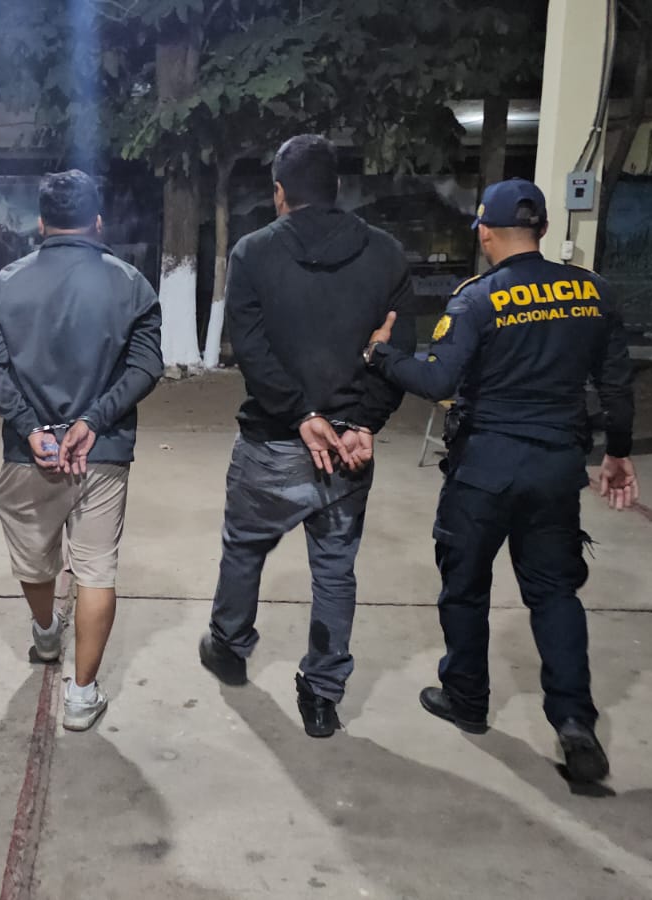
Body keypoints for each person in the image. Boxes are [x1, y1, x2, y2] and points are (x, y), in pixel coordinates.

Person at [363, 178, 638, 783]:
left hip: (484, 470)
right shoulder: (593, 293)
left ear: (485, 231)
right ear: (538, 229)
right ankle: (574, 722)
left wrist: (382, 354)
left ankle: (466, 697)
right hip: (556, 470)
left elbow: (436, 382)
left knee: (465, 587)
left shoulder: (476, 299)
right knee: (554, 593)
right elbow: (617, 386)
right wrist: (618, 454)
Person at [198, 135, 417, 739]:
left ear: (279, 193)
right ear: (337, 189)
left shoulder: (252, 253)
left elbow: (253, 351)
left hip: (273, 440)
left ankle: (230, 644)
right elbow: (397, 350)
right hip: (349, 449)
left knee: (244, 547)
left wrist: (299, 413)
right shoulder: (386, 255)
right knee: (335, 570)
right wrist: (364, 422)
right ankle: (322, 694)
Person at [0, 170, 162, 732]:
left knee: (35, 559)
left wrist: (33, 429)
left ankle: (48, 634)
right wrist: (94, 420)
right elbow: (147, 366)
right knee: (96, 570)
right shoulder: (131, 285)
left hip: (28, 453)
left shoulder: (2, 286)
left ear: (40, 223)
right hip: (102, 452)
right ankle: (82, 698)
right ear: (97, 222)